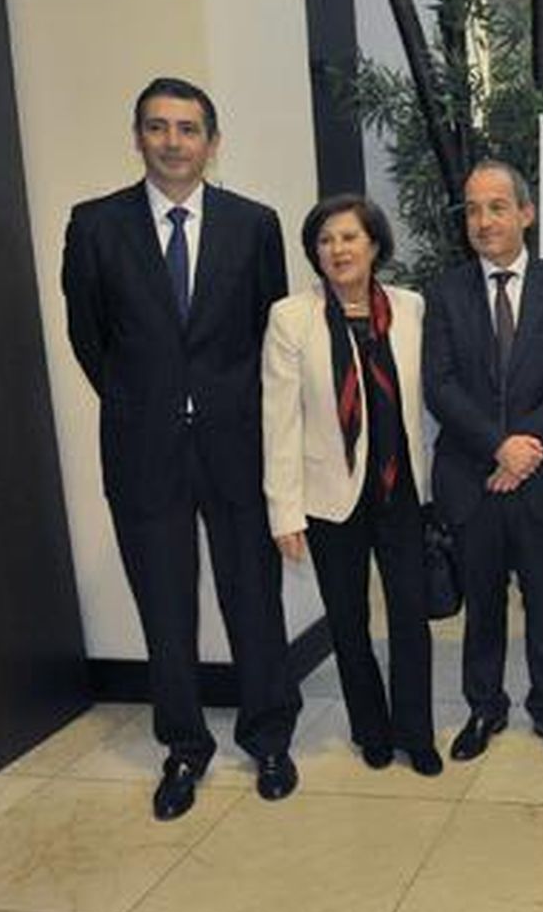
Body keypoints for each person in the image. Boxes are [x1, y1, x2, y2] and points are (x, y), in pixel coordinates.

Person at [61, 77, 300, 821]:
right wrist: (146, 402)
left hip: (238, 447)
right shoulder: (95, 225)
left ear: (211, 142)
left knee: (252, 598)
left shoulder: (254, 224)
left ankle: (268, 738)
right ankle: (184, 747)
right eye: (158, 127)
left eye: (188, 129)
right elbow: (87, 335)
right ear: (138, 137)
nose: (173, 142)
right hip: (144, 451)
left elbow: (272, 335)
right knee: (164, 606)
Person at [423, 159, 543, 764]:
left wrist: (524, 449)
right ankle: (483, 708)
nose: (483, 220)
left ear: (527, 213)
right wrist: (498, 447)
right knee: (483, 603)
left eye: (497, 206)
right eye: (472, 209)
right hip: (473, 476)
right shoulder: (444, 293)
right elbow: (439, 386)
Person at [262, 195, 440, 776]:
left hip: (403, 493)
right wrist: (283, 510)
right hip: (329, 497)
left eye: (348, 238)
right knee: (348, 620)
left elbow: (430, 403)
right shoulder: (292, 317)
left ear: (374, 245)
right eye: (325, 241)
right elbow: (280, 421)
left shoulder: (412, 309)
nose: (337, 250)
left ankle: (416, 732)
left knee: (411, 615)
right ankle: (373, 731)